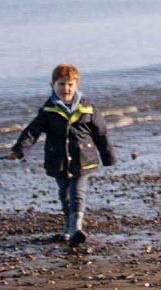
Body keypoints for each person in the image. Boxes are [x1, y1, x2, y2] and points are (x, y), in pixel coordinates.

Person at [9, 63, 115, 247]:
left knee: (77, 193)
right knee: (64, 194)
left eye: (70, 84)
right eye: (61, 84)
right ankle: (68, 227)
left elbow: (101, 133)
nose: (65, 89)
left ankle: (76, 228)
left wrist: (108, 157)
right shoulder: (48, 110)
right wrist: (19, 150)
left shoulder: (88, 108)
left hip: (83, 160)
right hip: (58, 160)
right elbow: (32, 132)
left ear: (77, 85)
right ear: (53, 86)